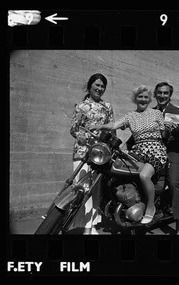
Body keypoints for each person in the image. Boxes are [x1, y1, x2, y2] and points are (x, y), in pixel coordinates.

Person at [90, 85, 168, 224]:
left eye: (145, 97)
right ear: (135, 99)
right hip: (138, 150)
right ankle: (128, 200)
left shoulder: (157, 114)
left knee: (144, 176)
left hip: (156, 150)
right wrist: (100, 126)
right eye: (140, 97)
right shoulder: (130, 116)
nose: (143, 99)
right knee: (118, 168)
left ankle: (151, 208)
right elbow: (114, 125)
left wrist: (172, 128)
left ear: (149, 99)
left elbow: (164, 133)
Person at [69, 73, 114, 235]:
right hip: (82, 153)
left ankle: (90, 226)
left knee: (95, 191)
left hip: (100, 156)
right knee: (81, 189)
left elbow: (111, 130)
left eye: (102, 86)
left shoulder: (107, 107)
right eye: (97, 85)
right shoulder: (81, 106)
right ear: (89, 86)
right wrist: (87, 136)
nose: (100, 89)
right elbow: (74, 129)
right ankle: (79, 224)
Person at [151, 82, 179, 235]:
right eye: (159, 92)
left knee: (174, 182)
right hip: (154, 151)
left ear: (170, 95)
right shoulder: (150, 112)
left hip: (173, 150)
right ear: (155, 94)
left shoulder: (177, 111)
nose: (162, 96)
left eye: (165, 93)